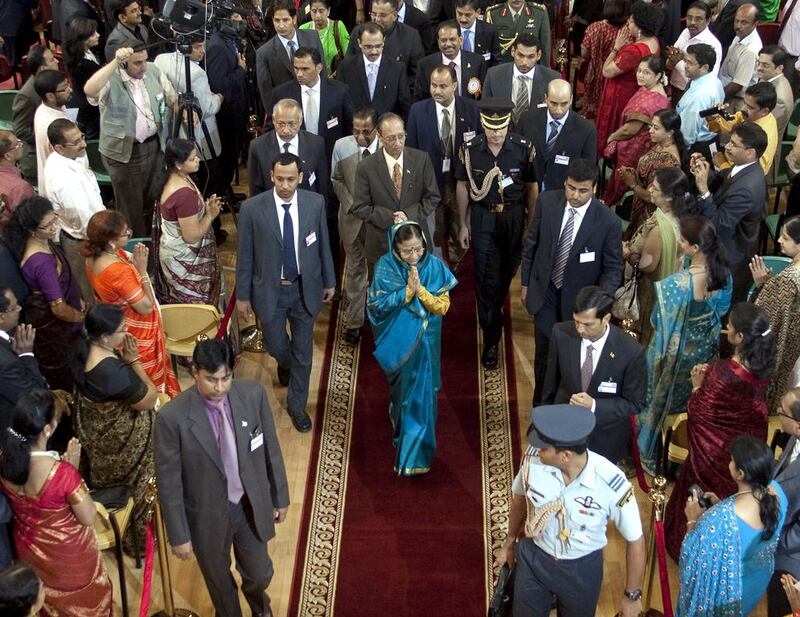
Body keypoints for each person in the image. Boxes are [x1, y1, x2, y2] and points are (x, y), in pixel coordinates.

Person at [154, 338, 289, 617]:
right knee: (219, 584)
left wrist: (280, 496)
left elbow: (270, 450)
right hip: (206, 515)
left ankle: (260, 609)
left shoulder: (253, 395)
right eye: (211, 380)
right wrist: (179, 535)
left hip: (248, 505)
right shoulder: (172, 418)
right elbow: (169, 483)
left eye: (225, 378)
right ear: (195, 372)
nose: (219, 388)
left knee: (260, 573)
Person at [495, 404, 645, 617]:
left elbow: (636, 540)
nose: (537, 449)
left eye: (544, 447)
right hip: (535, 559)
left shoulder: (611, 483)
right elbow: (520, 501)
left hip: (581, 571)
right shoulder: (532, 461)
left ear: (565, 455)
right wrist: (509, 544)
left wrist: (631, 596)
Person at [665, 302, 774, 559]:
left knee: (700, 499)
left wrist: (696, 387)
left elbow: (699, 414)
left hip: (712, 455)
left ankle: (691, 546)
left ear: (739, 337)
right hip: (743, 450)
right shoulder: (762, 364)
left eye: (730, 327)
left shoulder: (724, 373)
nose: (726, 329)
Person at [236, 153, 335, 432]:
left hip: (305, 289)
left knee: (304, 352)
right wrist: (243, 296)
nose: (285, 185)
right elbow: (245, 256)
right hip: (270, 293)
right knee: (277, 345)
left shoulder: (315, 203)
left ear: (300, 178)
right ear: (271, 176)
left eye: (291, 179)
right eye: (280, 178)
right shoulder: (253, 209)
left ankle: (297, 405)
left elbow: (323, 245)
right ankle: (284, 361)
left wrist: (329, 280)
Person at [0, 389, 113, 616]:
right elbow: (88, 517)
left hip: (29, 552)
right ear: (48, 429)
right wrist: (72, 470)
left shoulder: (5, 460)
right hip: (69, 559)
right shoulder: (62, 475)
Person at [520, 158, 624, 403]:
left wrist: (597, 305)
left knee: (570, 366)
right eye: (571, 188)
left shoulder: (608, 222)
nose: (575, 195)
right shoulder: (547, 202)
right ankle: (541, 413)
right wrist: (525, 284)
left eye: (583, 190)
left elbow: (613, 268)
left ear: (595, 188)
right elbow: (531, 245)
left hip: (579, 308)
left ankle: (563, 413)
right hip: (545, 295)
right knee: (543, 361)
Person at [636, 215, 732, 475]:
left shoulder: (675, 286)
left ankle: (651, 450)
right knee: (691, 400)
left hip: (673, 357)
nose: (679, 242)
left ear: (695, 248)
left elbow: (658, 320)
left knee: (657, 400)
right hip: (704, 353)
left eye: (682, 240)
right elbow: (722, 310)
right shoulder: (723, 274)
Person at [367, 220, 457, 475]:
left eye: (418, 248)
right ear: (395, 248)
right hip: (400, 342)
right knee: (403, 395)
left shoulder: (434, 265)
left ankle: (414, 456)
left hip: (428, 342)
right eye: (407, 251)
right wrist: (406, 292)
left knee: (424, 397)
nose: (414, 255)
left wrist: (420, 292)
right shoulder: (385, 267)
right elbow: (376, 307)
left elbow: (443, 307)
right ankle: (399, 427)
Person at [453, 98, 536, 369]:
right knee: (485, 279)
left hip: (513, 217)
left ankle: (494, 309)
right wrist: (463, 224)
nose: (496, 134)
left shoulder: (524, 149)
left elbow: (532, 186)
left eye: (501, 128)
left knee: (505, 274)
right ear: (483, 125)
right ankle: (491, 337)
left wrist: (531, 222)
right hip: (484, 216)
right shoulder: (470, 150)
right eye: (491, 128)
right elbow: (463, 185)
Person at [70, 303, 158, 554]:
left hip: (98, 439)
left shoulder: (84, 349)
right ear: (106, 336)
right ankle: (139, 534)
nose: (127, 332)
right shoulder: (112, 371)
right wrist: (135, 362)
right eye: (122, 329)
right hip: (120, 444)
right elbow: (149, 400)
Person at [676, 435, 787, 617]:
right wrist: (720, 503)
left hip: (728, 596)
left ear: (740, 473)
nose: (729, 463)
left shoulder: (719, 521)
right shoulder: (778, 493)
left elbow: (692, 564)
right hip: (756, 582)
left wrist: (692, 519)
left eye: (732, 461)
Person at [541, 287, 646, 463]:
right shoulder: (561, 333)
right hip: (565, 431)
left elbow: (635, 403)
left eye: (587, 324)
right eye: (576, 321)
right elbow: (550, 385)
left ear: (606, 318)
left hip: (604, 439)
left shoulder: (631, 352)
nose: (580, 329)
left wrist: (595, 405)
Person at [84, 46, 178, 238]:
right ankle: (137, 249)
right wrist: (114, 63)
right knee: (130, 208)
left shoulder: (153, 70)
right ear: (124, 63)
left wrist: (183, 111)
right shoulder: (111, 78)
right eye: (137, 62)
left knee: (154, 199)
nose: (143, 66)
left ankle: (155, 242)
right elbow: (89, 89)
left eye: (144, 60)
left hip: (154, 147)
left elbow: (171, 99)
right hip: (123, 153)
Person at [84, 210, 180, 397]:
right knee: (147, 381)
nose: (129, 233)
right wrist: (143, 271)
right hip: (137, 334)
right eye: (125, 232)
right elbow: (144, 307)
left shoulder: (93, 256)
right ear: (111, 241)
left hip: (118, 325)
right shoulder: (118, 271)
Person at [3, 197, 83, 391]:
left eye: (54, 220)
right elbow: (59, 309)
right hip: (57, 330)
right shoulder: (41, 262)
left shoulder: (42, 243)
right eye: (47, 226)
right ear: (32, 230)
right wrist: (82, 317)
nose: (54, 227)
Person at [406, 64, 481, 264]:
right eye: (433, 85)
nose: (437, 91)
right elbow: (410, 152)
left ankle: (457, 270)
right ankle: (439, 274)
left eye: (443, 86)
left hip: (460, 184)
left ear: (455, 85)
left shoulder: (472, 110)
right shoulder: (418, 111)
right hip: (431, 186)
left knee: (460, 232)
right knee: (434, 236)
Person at [691, 121, 768, 302]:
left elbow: (719, 224)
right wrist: (705, 172)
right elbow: (723, 184)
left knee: (719, 311)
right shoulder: (743, 167)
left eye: (734, 144)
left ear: (750, 152)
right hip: (725, 248)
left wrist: (703, 189)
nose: (728, 147)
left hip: (730, 257)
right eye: (730, 141)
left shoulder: (747, 189)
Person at [353, 112, 440, 271]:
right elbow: (360, 207)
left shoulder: (421, 159)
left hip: (416, 245)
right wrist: (391, 218)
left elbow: (433, 197)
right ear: (379, 137)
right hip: (381, 247)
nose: (398, 143)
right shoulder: (366, 167)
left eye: (401, 136)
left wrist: (408, 215)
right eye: (391, 138)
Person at [43, 118, 106, 304]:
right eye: (77, 142)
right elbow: (83, 219)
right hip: (84, 240)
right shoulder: (63, 179)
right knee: (93, 295)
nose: (84, 144)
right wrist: (105, 239)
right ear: (59, 148)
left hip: (92, 231)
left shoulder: (72, 156)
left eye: (82, 137)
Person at [154, 139, 222, 307]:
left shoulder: (173, 177)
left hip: (172, 253)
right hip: (184, 261)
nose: (197, 160)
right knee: (193, 309)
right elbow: (191, 236)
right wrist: (210, 215)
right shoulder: (184, 195)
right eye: (192, 159)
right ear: (178, 163)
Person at [622, 167, 686, 343]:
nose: (649, 189)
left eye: (655, 188)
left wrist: (627, 253)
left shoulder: (659, 228)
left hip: (650, 294)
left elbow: (647, 265)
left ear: (670, 196)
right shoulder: (679, 217)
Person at [331, 107, 379, 344]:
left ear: (377, 130)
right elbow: (336, 179)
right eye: (356, 131)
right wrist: (352, 205)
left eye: (366, 132)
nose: (360, 137)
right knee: (355, 270)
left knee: (379, 271)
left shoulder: (388, 147)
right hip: (351, 220)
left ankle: (380, 317)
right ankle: (354, 322)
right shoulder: (341, 146)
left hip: (378, 223)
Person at [595, 1, 663, 155]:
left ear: (639, 27)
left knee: (613, 129)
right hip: (636, 91)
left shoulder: (634, 50)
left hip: (621, 97)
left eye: (631, 21)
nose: (628, 23)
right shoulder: (654, 41)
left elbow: (607, 71)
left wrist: (616, 47)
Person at [603, 54, 670, 206]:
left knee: (623, 180)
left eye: (646, 73)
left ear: (658, 75)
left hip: (635, 148)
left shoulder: (650, 100)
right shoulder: (654, 89)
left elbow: (629, 130)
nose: (640, 75)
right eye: (639, 70)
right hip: (646, 145)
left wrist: (612, 137)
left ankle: (612, 205)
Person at [750, 216, 800, 412]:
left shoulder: (787, 281)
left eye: (785, 238)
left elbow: (761, 319)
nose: (778, 240)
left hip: (780, 358)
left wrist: (761, 286)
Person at [517, 79, 597, 194]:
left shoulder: (586, 129)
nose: (558, 110)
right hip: (528, 192)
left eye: (564, 104)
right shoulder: (527, 119)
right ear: (546, 98)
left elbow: (588, 169)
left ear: (571, 100)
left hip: (562, 194)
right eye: (553, 103)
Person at [617, 109, 685, 238]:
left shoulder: (669, 161)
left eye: (656, 128)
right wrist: (635, 175)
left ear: (670, 133)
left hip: (650, 214)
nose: (650, 130)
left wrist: (633, 185)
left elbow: (652, 196)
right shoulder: (659, 144)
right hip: (640, 207)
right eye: (651, 126)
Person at [205, 12, 248, 208]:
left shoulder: (228, 41)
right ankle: (222, 198)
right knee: (226, 158)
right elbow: (219, 85)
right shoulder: (216, 46)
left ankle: (226, 193)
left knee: (231, 157)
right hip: (226, 115)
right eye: (235, 17)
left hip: (235, 111)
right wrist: (240, 70)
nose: (239, 21)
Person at [248, 98, 328, 198]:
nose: (286, 130)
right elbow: (255, 189)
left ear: (300, 121)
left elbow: (322, 186)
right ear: (273, 120)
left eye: (291, 124)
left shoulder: (316, 144)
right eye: (281, 124)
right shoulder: (258, 147)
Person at [256, 0, 325, 113]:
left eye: (285, 20)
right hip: (287, 113)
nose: (281, 25)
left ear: (294, 19)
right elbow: (266, 93)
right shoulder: (264, 53)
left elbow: (322, 73)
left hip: (316, 104)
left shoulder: (312, 37)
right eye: (277, 20)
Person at [481, 34, 559, 128]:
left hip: (536, 137)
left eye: (530, 57)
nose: (524, 62)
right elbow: (484, 109)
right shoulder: (493, 75)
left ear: (538, 55)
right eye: (520, 55)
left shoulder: (552, 79)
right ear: (513, 52)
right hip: (502, 136)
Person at [768, 387, 800, 617]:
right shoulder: (793, 437)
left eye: (782, 411)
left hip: (791, 560)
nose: (778, 411)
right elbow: (782, 468)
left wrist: (774, 542)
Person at [335, 21, 411, 118]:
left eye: (378, 46)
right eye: (368, 47)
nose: (374, 52)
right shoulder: (345, 67)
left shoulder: (397, 68)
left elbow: (404, 106)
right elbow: (340, 103)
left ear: (384, 41)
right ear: (359, 43)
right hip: (355, 129)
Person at [346, 0, 426, 85]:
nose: (377, 19)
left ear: (394, 15)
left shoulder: (410, 36)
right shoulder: (358, 32)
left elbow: (417, 74)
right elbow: (349, 66)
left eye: (382, 15)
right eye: (373, 14)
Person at [12, 45, 59, 185]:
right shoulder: (27, 95)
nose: (57, 61)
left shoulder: (50, 83)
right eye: (52, 60)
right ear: (43, 68)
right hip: (37, 162)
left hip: (53, 154)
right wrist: (47, 139)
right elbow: (20, 130)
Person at [0, 287, 47, 418]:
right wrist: (26, 355)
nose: (20, 309)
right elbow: (35, 401)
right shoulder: (5, 364)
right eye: (15, 308)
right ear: (1, 317)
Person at [579, 0, 630, 120]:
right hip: (617, 74)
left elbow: (584, 53)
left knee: (592, 111)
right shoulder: (628, 29)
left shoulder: (595, 28)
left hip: (595, 74)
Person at [413, 20, 487, 102]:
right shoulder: (425, 65)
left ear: (461, 40)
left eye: (452, 39)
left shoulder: (477, 62)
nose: (448, 44)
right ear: (438, 42)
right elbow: (420, 99)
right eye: (443, 40)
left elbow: (483, 96)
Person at [676, 43, 725, 157]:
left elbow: (688, 135)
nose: (685, 66)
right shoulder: (714, 80)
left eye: (690, 63)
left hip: (696, 149)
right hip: (711, 140)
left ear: (705, 67)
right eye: (685, 61)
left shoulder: (699, 97)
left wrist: (681, 153)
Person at [665, 2, 722, 98]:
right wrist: (673, 59)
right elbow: (671, 58)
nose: (692, 22)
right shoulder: (686, 32)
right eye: (689, 17)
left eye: (698, 19)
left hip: (692, 95)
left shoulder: (712, 45)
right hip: (675, 88)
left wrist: (678, 62)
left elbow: (705, 81)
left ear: (708, 21)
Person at [32, 70, 71, 196]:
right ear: (50, 96)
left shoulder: (47, 107)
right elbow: (67, 159)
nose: (70, 90)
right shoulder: (52, 124)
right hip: (62, 186)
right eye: (64, 89)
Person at [62, 18, 102, 140]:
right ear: (83, 39)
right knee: (93, 136)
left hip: (84, 101)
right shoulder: (83, 64)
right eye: (93, 34)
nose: (98, 35)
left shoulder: (82, 53)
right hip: (89, 106)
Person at [718, 3, 762, 111]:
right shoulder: (741, 35)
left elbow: (737, 86)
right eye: (736, 21)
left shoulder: (750, 50)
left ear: (755, 24)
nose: (738, 26)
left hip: (734, 101)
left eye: (744, 22)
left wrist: (717, 99)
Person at [484, 0, 551, 65]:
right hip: (502, 68)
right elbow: (486, 49)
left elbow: (545, 48)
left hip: (529, 68)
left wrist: (543, 73)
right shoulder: (493, 14)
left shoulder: (539, 13)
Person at [299, 0, 351, 75]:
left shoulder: (338, 26)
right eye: (314, 11)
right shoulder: (303, 29)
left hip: (335, 78)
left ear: (328, 11)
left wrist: (337, 74)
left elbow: (348, 57)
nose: (317, 16)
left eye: (321, 11)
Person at [0, 131, 35, 231]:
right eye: (17, 144)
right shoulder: (20, 188)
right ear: (7, 156)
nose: (21, 145)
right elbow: (31, 220)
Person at [757, 45, 794, 137]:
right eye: (758, 63)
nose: (759, 68)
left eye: (765, 65)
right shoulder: (767, 78)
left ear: (779, 68)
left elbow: (762, 129)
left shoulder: (779, 99)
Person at [454, 0, 502, 65]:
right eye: (459, 14)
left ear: (478, 12)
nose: (463, 19)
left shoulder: (490, 31)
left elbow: (496, 61)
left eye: (468, 15)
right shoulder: (446, 30)